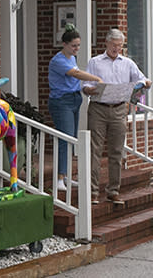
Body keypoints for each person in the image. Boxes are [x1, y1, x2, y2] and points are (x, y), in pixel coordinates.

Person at [82, 28, 152, 205]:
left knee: (116, 151)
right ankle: (92, 191)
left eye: (120, 46)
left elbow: (143, 79)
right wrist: (92, 88)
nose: (116, 49)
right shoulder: (95, 62)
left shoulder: (128, 63)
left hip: (120, 109)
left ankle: (113, 190)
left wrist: (144, 83)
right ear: (106, 43)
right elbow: (84, 86)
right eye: (114, 45)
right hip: (98, 107)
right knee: (94, 150)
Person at [48, 24, 103, 193]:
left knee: (72, 139)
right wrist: (97, 79)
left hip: (74, 99)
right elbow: (77, 74)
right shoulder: (58, 60)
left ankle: (66, 177)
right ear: (64, 44)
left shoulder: (71, 57)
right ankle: (59, 178)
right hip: (61, 101)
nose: (76, 48)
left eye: (78, 45)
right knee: (65, 139)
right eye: (73, 45)